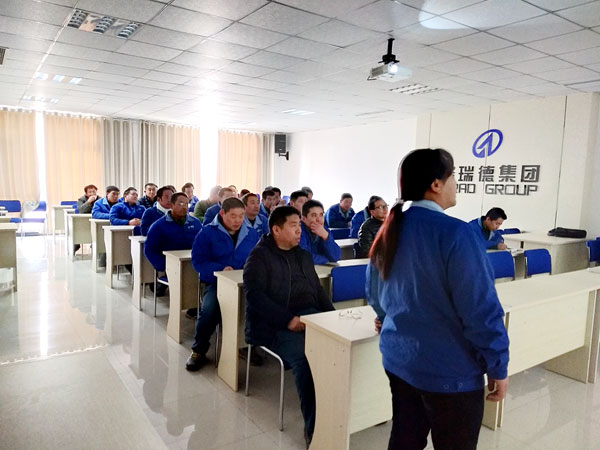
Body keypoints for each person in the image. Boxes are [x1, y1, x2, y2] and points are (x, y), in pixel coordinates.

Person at [368, 148, 509, 450]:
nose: (456, 182)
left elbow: (375, 293)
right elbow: (481, 310)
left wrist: (388, 318)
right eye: (453, 175)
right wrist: (498, 365)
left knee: (405, 439)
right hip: (449, 372)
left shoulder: (391, 228)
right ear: (436, 184)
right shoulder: (457, 233)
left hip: (400, 361)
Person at [243, 206, 334, 448]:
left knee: (339, 351)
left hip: (310, 317)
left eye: (299, 225)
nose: (299, 230)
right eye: (293, 225)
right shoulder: (259, 256)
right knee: (307, 359)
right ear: (276, 229)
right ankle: (314, 428)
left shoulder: (302, 255)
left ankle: (340, 411)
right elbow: (255, 296)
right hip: (275, 325)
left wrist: (333, 319)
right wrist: (288, 320)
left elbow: (318, 292)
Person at [186, 198, 259, 371]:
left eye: (241, 216)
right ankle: (199, 350)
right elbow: (198, 261)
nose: (238, 220)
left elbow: (257, 257)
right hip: (216, 282)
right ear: (222, 213)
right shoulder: (207, 232)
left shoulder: (251, 233)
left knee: (257, 307)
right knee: (209, 309)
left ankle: (246, 344)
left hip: (244, 282)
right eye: (233, 216)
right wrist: (220, 269)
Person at [144, 192, 202, 273]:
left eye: (186, 204)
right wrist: (164, 266)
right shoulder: (158, 226)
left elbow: (204, 243)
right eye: (181, 204)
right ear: (171, 205)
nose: (184, 207)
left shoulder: (196, 223)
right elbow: (150, 250)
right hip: (170, 267)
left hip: (194, 264)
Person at [299, 200, 340, 264]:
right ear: (304, 219)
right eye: (314, 215)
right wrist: (326, 259)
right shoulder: (298, 231)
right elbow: (304, 258)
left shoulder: (324, 230)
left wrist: (326, 237)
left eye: (321, 215)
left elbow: (336, 257)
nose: (318, 219)